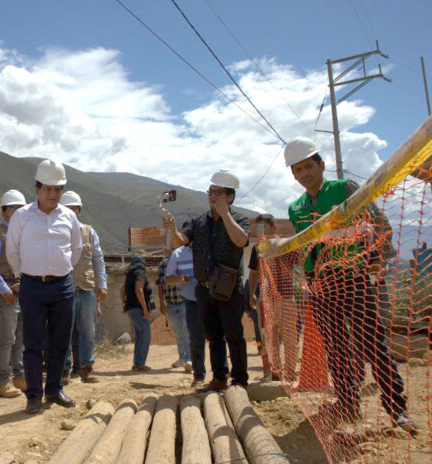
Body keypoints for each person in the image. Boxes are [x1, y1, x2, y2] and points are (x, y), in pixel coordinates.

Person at [284, 137, 417, 432]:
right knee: (336, 348)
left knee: (373, 345)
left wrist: (379, 262)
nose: (304, 173)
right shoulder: (296, 208)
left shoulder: (344, 190)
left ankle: (398, 410)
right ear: (293, 175)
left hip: (353, 279)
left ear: (321, 164)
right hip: (319, 286)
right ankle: (347, 404)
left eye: (308, 166)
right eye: (298, 169)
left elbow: (379, 223)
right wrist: (307, 284)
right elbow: (306, 252)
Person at [6, 159, 82, 414]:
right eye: (48, 189)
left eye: (58, 189)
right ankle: (34, 394)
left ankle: (54, 389)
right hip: (32, 287)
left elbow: (76, 249)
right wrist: (25, 276)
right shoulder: (22, 216)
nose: (53, 194)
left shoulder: (69, 217)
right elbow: (12, 250)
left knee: (60, 341)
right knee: (33, 343)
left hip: (63, 287)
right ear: (37, 189)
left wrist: (60, 271)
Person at [173, 169, 249, 392]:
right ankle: (219, 378)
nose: (213, 196)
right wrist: (170, 230)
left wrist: (225, 215)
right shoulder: (198, 222)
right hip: (204, 289)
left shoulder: (239, 219)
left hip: (229, 289)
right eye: (210, 192)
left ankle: (240, 381)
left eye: (218, 193)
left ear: (230, 197)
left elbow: (242, 240)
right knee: (214, 337)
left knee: (234, 335)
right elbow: (180, 242)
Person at [0, 190, 28, 398]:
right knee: (6, 337)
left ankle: (19, 376)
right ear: (4, 211)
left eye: (20, 208)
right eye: (13, 208)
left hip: (23, 289)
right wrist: (2, 288)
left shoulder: (25, 232)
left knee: (19, 336)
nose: (17, 212)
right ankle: (2, 381)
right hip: (6, 292)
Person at [59, 190, 108, 384]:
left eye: (74, 209)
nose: (71, 212)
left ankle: (87, 368)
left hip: (87, 290)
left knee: (88, 331)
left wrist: (102, 284)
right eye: (67, 209)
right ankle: (64, 369)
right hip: (64, 289)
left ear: (79, 211)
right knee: (64, 331)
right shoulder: (57, 233)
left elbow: (98, 259)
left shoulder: (89, 231)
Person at [247, 214, 297, 383]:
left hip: (286, 297)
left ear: (273, 228)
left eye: (264, 227)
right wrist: (252, 294)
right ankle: (275, 371)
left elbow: (296, 264)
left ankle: (290, 372)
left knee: (289, 337)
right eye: (258, 228)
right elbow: (253, 273)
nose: (261, 231)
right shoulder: (257, 249)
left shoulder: (284, 245)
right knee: (270, 338)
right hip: (266, 299)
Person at [165, 230, 206, 388]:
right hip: (190, 301)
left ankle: (220, 377)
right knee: (194, 338)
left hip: (211, 299)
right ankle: (198, 375)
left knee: (217, 338)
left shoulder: (208, 249)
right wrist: (180, 279)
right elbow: (168, 280)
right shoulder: (177, 255)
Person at [156, 246, 190, 373]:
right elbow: (160, 285)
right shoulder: (163, 265)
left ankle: (189, 359)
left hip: (184, 302)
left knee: (186, 331)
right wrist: (161, 303)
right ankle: (182, 357)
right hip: (171, 304)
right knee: (178, 332)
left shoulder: (183, 261)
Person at [121, 257, 154, 371]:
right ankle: (139, 364)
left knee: (140, 336)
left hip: (132, 308)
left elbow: (122, 290)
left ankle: (137, 363)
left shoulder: (130, 274)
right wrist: (145, 309)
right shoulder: (140, 272)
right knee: (145, 336)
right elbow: (139, 290)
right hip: (138, 309)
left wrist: (125, 304)